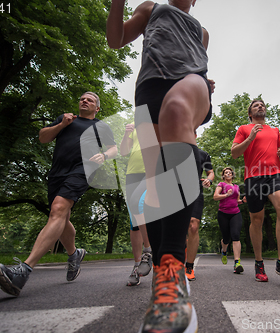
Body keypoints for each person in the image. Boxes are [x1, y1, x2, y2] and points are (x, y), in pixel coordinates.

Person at [107, 1, 213, 332]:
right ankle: (165, 284)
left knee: (178, 109)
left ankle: (172, 263)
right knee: (156, 184)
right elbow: (116, 39)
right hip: (149, 88)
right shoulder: (150, 8)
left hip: (190, 83)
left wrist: (206, 91)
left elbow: (197, 61)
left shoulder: (201, 31)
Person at [0, 92, 118, 297]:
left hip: (83, 170)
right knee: (61, 217)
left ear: (97, 108)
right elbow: (43, 138)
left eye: (90, 100)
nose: (84, 100)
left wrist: (104, 155)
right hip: (57, 173)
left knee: (57, 210)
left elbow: (114, 149)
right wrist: (61, 125)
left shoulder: (101, 126)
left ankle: (23, 271)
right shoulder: (66, 119)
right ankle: (74, 254)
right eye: (82, 98)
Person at [231, 99, 280, 285]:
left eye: (262, 104)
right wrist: (250, 138)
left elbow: (277, 150)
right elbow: (235, 153)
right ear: (250, 113)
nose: (260, 106)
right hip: (253, 177)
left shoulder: (275, 130)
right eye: (255, 105)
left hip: (274, 175)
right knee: (257, 220)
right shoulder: (244, 129)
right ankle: (259, 263)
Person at [120, 123, 153, 286]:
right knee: (134, 222)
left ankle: (148, 250)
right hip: (132, 173)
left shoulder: (163, 117)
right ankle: (136, 264)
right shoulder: (136, 125)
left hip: (153, 170)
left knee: (139, 205)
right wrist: (127, 134)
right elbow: (124, 151)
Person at [185, 132, 214, 281]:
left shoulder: (203, 154)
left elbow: (210, 172)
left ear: (195, 135)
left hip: (196, 191)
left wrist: (209, 180)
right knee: (178, 228)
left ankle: (189, 266)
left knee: (194, 226)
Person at [213, 167, 244, 274]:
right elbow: (215, 197)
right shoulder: (221, 184)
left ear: (232, 175)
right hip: (223, 214)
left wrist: (243, 201)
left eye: (230, 172)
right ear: (223, 176)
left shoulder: (236, 187)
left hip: (235, 213)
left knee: (235, 235)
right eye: (226, 173)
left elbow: (236, 201)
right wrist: (226, 194)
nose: (228, 174)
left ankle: (237, 263)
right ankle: (224, 252)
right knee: (226, 238)